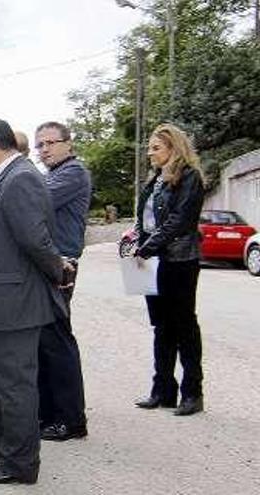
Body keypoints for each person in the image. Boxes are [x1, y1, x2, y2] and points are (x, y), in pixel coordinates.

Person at [0, 118, 70, 485]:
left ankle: (21, 462)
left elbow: (35, 240)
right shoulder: (6, 178)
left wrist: (59, 271)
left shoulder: (20, 177)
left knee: (14, 386)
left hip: (11, 305)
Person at [132, 123, 205, 416]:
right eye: (149, 148)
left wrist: (148, 247)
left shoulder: (190, 177)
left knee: (184, 326)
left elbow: (180, 221)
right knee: (161, 327)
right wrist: (136, 240)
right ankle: (162, 390)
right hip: (153, 260)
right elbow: (145, 219)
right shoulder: (155, 180)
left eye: (156, 148)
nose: (150, 153)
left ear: (173, 148)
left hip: (179, 260)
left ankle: (193, 393)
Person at [34, 121, 91, 441]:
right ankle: (51, 414)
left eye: (50, 143)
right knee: (46, 342)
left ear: (68, 144)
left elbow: (36, 201)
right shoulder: (51, 174)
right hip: (48, 264)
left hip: (61, 265)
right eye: (40, 145)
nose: (44, 150)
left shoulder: (72, 172)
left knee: (57, 342)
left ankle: (71, 420)